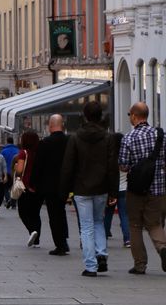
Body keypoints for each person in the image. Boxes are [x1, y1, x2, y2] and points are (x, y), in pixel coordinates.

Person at [60, 101, 119, 276]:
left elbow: (68, 166)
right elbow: (112, 166)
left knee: (86, 227)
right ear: (100, 116)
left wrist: (64, 191)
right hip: (101, 188)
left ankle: (91, 265)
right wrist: (113, 191)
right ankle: (101, 253)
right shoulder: (108, 138)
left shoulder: (75, 138)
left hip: (81, 188)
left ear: (85, 116)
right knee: (99, 221)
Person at [117, 102, 166, 274]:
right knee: (154, 223)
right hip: (158, 188)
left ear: (134, 116)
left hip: (136, 190)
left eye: (129, 115)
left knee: (135, 225)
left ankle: (140, 264)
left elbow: (123, 165)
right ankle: (162, 248)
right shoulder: (161, 135)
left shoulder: (128, 138)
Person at [33, 114, 71, 256]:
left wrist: (35, 184)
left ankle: (60, 244)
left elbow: (38, 165)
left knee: (54, 215)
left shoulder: (45, 143)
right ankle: (64, 241)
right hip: (66, 183)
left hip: (50, 185)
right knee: (62, 212)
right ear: (62, 125)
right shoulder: (69, 141)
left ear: (50, 126)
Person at [13, 130, 42, 247]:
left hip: (25, 187)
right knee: (36, 213)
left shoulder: (23, 153)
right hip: (39, 187)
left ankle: (32, 230)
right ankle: (36, 240)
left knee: (23, 212)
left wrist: (16, 167)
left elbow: (20, 170)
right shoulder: (40, 153)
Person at [104, 135, 131, 249]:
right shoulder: (126, 156)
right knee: (124, 215)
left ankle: (104, 236)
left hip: (111, 190)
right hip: (124, 189)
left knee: (108, 214)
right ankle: (127, 239)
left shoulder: (109, 156)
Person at [0, 136, 20, 208]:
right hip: (15, 172)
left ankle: (8, 200)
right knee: (14, 187)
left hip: (6, 172)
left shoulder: (3, 151)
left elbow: (1, 162)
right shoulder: (18, 150)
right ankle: (13, 203)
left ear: (7, 142)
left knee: (5, 188)